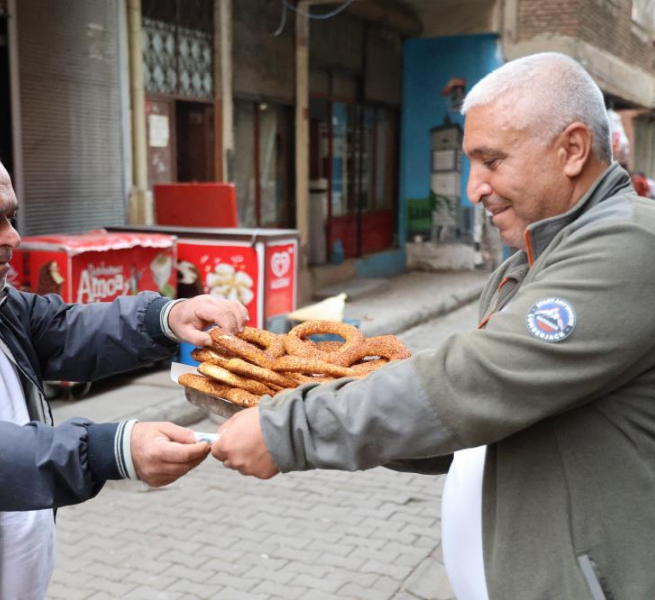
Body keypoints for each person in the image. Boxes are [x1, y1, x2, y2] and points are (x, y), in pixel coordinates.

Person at [212, 52, 655, 599]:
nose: (474, 188)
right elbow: (474, 421)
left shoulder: (629, 244)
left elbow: (475, 382)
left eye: (491, 161)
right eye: (470, 164)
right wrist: (323, 407)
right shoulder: (531, 260)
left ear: (572, 150)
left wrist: (290, 429)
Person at [0, 132, 248, 599]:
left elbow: (67, 329)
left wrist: (167, 318)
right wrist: (108, 449)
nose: (13, 237)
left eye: (11, 217)